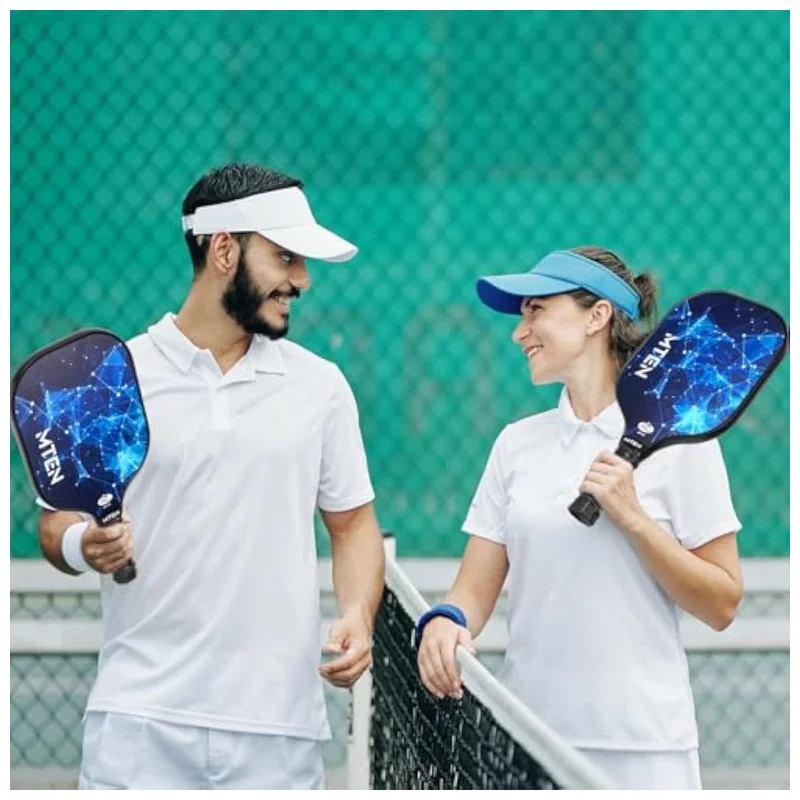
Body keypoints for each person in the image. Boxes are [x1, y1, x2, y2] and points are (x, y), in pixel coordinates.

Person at [37, 163, 385, 789]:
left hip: (278, 734)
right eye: (285, 258)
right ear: (224, 249)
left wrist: (358, 614)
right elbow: (56, 522)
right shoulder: (116, 378)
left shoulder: (321, 387)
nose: (301, 280)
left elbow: (354, 523)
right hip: (136, 726)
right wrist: (81, 545)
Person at [415, 246, 743, 790]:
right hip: (526, 742)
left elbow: (723, 602)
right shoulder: (515, 445)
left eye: (536, 310)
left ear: (598, 315)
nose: (520, 332)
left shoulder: (686, 446)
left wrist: (635, 520)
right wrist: (446, 620)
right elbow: (472, 591)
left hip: (644, 752)